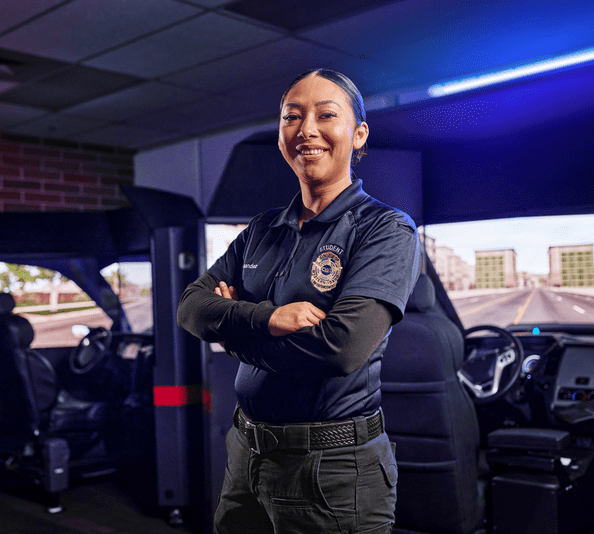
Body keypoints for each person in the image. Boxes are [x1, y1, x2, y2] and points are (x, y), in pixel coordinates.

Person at [177, 68, 422, 534]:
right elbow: (190, 307)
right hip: (245, 451)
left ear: (358, 134)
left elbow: (340, 348)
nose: (306, 129)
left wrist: (231, 334)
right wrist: (267, 318)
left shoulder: (385, 230)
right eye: (292, 117)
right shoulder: (261, 229)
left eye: (326, 115)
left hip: (330, 468)